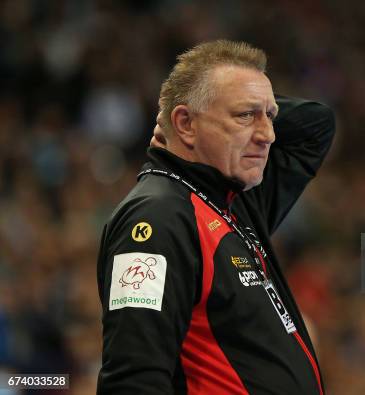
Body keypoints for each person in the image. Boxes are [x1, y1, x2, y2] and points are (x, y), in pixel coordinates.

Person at [96, 40, 335, 394]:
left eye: (269, 116)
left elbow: (317, 124)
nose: (268, 135)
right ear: (186, 123)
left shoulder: (231, 204)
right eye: (245, 115)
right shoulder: (158, 217)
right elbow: (133, 379)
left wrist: (241, 99)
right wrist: (191, 106)